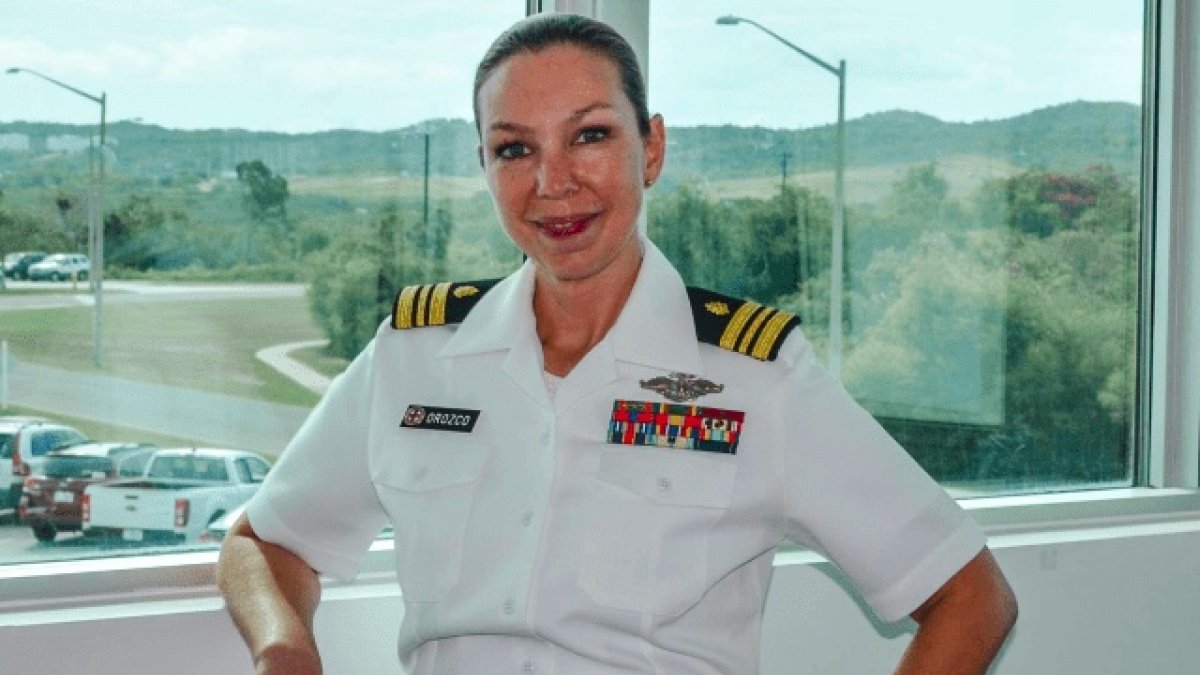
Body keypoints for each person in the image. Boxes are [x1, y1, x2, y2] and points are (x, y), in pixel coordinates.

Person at [218, 13, 1017, 675]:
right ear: (485, 167)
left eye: (590, 136)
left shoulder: (751, 377)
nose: (552, 182)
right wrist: (284, 650)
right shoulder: (417, 354)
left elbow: (972, 596)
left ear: (653, 148)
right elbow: (265, 541)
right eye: (515, 148)